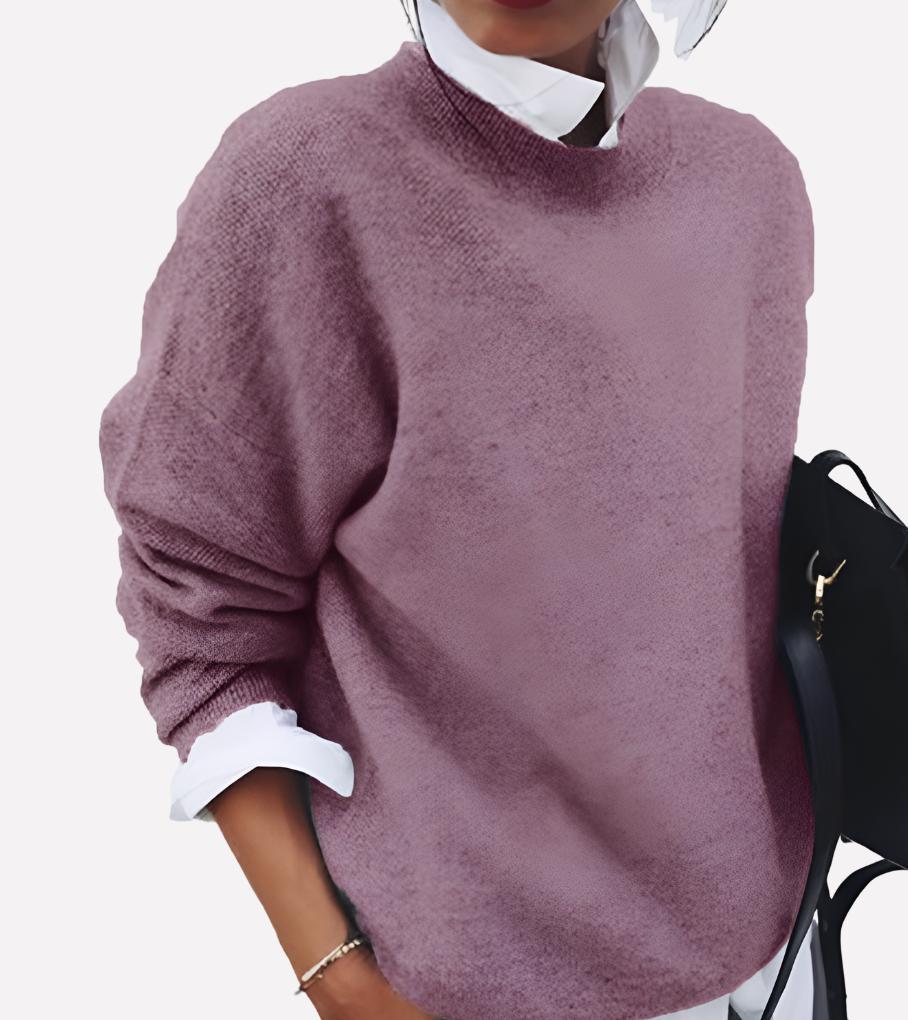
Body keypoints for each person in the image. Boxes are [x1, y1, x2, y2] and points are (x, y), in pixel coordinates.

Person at [100, 2, 818, 1018]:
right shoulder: (304, 179)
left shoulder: (744, 183)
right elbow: (201, 620)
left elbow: (714, 581)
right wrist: (336, 976)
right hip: (466, 990)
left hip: (776, 949)